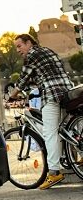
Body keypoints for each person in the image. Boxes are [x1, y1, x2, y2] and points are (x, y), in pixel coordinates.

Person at [13, 33, 75, 189]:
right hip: (67, 91)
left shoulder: (31, 56)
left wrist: (12, 95)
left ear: (29, 43)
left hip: (52, 94)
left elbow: (23, 78)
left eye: (19, 46)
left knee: (50, 132)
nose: (18, 50)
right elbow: (46, 73)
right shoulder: (48, 51)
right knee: (65, 130)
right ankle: (76, 158)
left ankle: (54, 172)